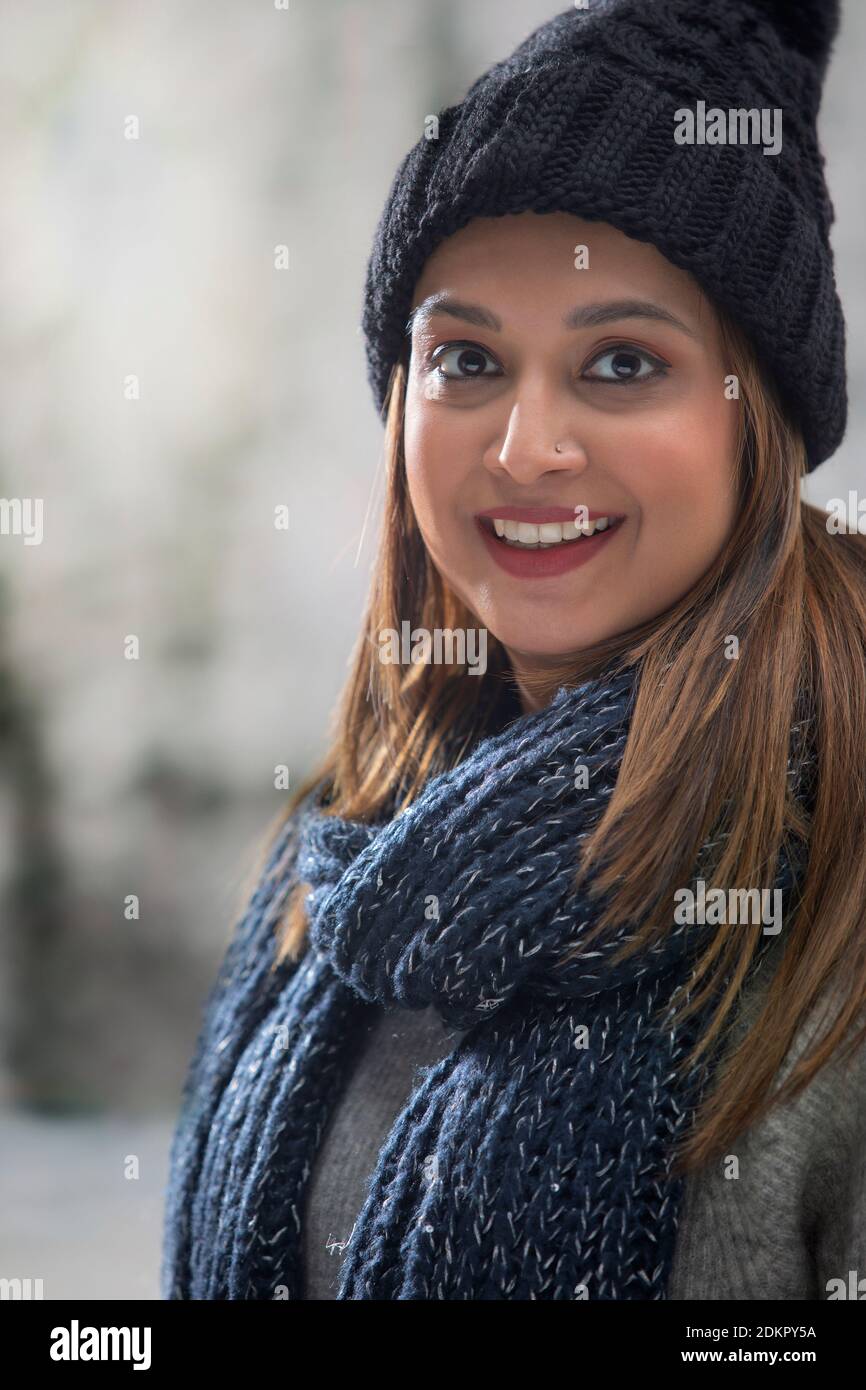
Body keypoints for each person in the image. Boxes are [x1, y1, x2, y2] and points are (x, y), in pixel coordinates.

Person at [161, 0, 866, 1301]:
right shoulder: (342, 851)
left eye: (617, 362)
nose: (523, 447)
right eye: (467, 357)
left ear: (752, 417)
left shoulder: (830, 913)